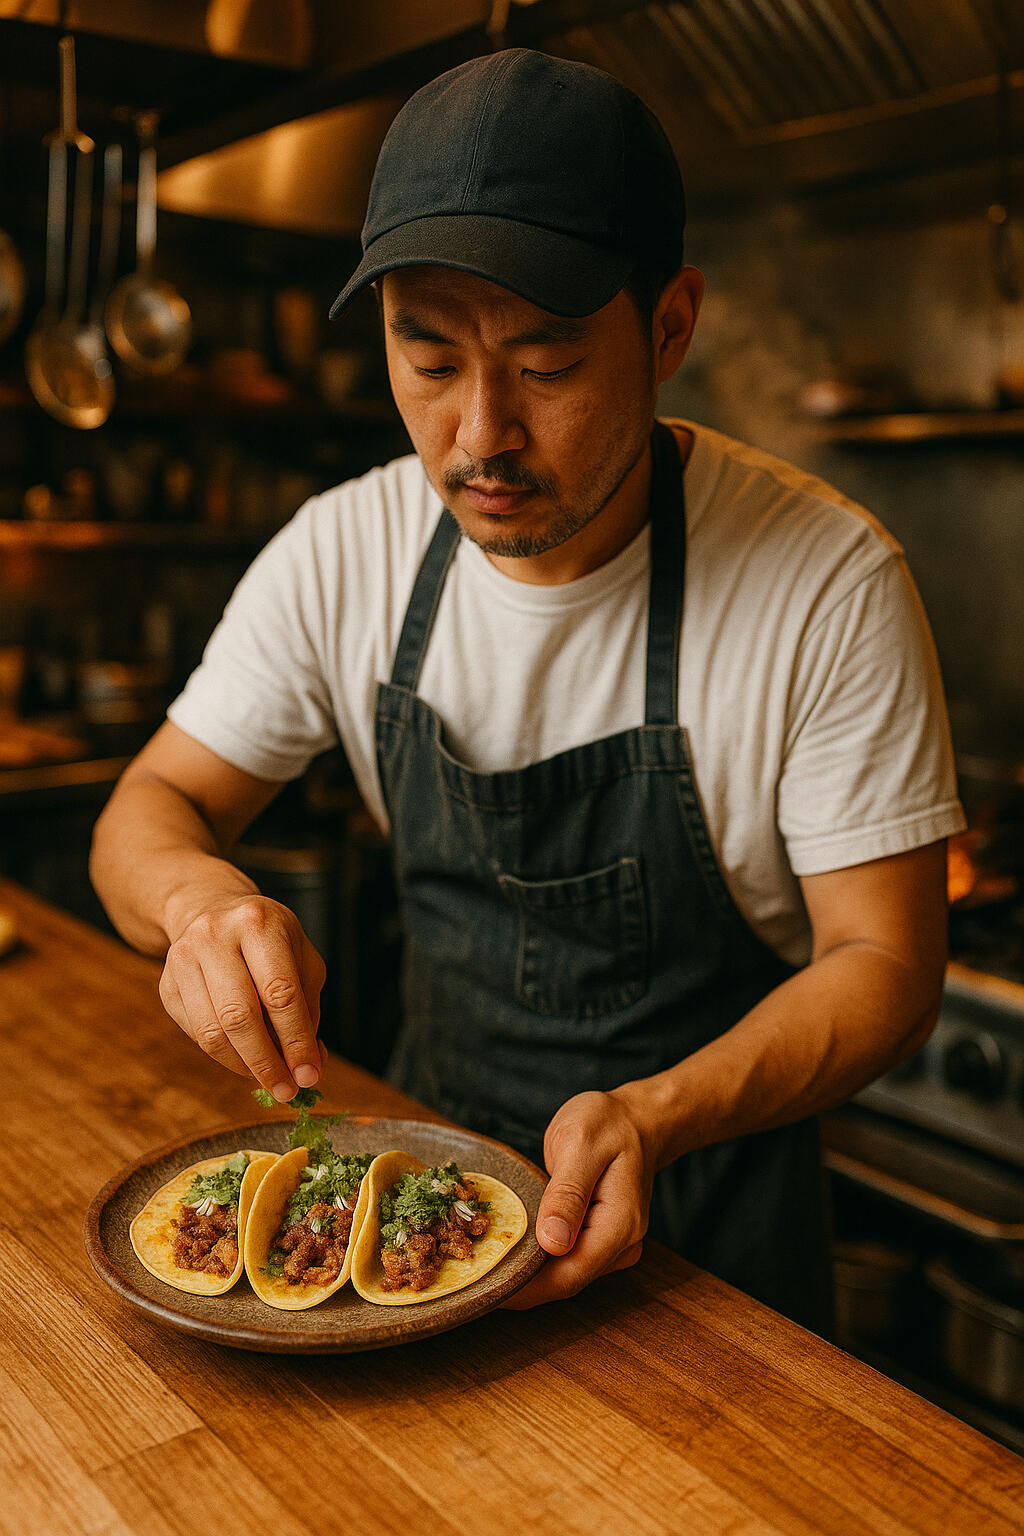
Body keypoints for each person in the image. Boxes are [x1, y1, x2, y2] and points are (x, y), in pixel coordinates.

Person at [91, 49, 964, 1332]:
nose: (480, 435)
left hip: (711, 1237)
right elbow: (148, 807)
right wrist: (198, 903)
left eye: (546, 366)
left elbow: (887, 963)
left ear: (668, 326)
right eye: (429, 360)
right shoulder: (344, 551)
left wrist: (655, 1115)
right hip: (418, 1197)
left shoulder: (827, 582)